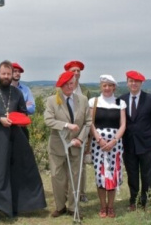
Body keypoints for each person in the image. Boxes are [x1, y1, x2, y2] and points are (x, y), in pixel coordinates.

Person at [0, 60, 46, 219]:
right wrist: (0, 119)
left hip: (16, 137)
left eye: (8, 74)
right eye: (3, 74)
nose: (6, 76)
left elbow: (23, 112)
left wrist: (16, 118)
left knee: (15, 172)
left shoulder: (17, 93)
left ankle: (14, 205)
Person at [44, 71, 91, 218]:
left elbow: (88, 122)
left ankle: (73, 207)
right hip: (58, 146)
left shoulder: (82, 100)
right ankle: (60, 206)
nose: (69, 87)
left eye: (71, 83)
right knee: (57, 176)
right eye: (66, 84)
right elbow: (48, 120)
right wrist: (66, 125)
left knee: (75, 176)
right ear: (60, 86)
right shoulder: (52, 100)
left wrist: (81, 139)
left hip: (77, 145)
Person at [120, 70, 151, 211]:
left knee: (146, 174)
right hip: (128, 144)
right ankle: (133, 200)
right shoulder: (121, 100)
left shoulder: (150, 99)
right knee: (132, 175)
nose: (134, 84)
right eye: (131, 81)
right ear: (127, 83)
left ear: (141, 83)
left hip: (147, 144)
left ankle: (146, 201)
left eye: (136, 81)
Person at [89, 75, 126, 218]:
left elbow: (123, 124)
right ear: (101, 87)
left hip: (115, 145)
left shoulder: (120, 103)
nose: (107, 88)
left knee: (114, 174)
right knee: (100, 175)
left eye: (110, 85)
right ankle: (102, 207)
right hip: (98, 144)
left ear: (114, 87)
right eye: (104, 85)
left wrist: (114, 140)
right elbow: (90, 122)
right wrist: (99, 139)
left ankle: (111, 207)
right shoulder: (94, 101)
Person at [64, 60, 91, 203]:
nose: (76, 73)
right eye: (73, 70)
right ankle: (67, 192)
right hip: (65, 133)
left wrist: (85, 136)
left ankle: (81, 192)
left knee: (81, 165)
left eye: (78, 71)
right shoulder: (61, 88)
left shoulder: (85, 91)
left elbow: (89, 115)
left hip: (81, 133)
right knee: (66, 164)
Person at [11, 62, 35, 141]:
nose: (17, 73)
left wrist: (16, 107)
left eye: (19, 72)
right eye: (15, 71)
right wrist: (24, 105)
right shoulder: (5, 89)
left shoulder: (26, 89)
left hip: (22, 127)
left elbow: (32, 109)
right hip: (8, 127)